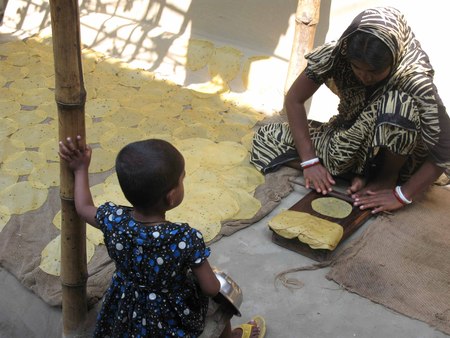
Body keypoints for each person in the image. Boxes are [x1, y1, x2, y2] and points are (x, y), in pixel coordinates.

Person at [58, 136, 265, 338]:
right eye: (182, 179)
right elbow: (211, 288)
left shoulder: (114, 221)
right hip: (171, 319)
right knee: (220, 300)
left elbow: (83, 207)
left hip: (125, 312)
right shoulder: (185, 238)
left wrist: (80, 169)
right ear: (172, 196)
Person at [251, 6, 450, 214]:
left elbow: (446, 148)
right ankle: (357, 175)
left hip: (399, 157)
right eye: (357, 68)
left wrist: (403, 195)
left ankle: (384, 180)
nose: (365, 77)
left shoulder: (415, 78)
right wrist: (310, 162)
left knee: (400, 103)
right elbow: (294, 100)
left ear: (394, 58)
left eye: (374, 71)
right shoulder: (339, 53)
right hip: (350, 139)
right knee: (266, 137)